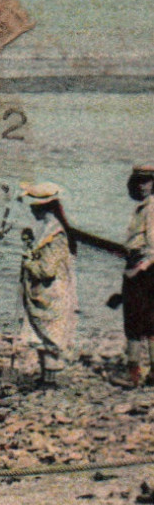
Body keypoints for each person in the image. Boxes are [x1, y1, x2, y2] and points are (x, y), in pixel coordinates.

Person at [17, 181, 78, 388]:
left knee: (51, 333)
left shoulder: (55, 235)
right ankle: (46, 376)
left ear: (42, 206)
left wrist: (28, 261)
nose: (31, 209)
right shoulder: (47, 229)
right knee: (42, 332)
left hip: (52, 291)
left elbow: (46, 270)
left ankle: (50, 379)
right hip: (46, 291)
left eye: (34, 205)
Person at [119, 163, 154, 387]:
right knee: (150, 323)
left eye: (146, 181)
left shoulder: (150, 208)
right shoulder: (145, 206)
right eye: (139, 181)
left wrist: (139, 268)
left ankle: (132, 375)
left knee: (134, 322)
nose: (142, 186)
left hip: (143, 269)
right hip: (145, 267)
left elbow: (152, 245)